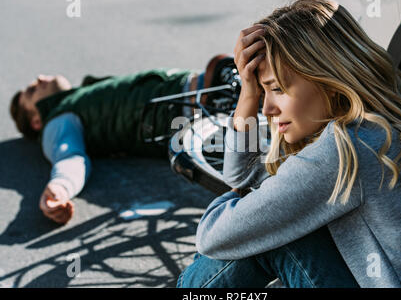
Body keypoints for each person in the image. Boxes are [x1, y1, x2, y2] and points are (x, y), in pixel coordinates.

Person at [178, 0, 401, 288]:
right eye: (262, 91)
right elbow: (243, 175)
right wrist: (248, 96)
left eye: (277, 89)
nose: (266, 108)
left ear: (328, 82)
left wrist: (242, 202)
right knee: (269, 224)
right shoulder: (397, 111)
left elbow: (213, 237)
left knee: (267, 236)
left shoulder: (345, 149)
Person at [9, 54, 238, 225]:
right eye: (31, 92)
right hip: (195, 109)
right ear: (36, 121)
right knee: (245, 62)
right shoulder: (57, 120)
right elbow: (69, 156)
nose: (38, 78)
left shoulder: (77, 98)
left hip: (199, 98)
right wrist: (60, 188)